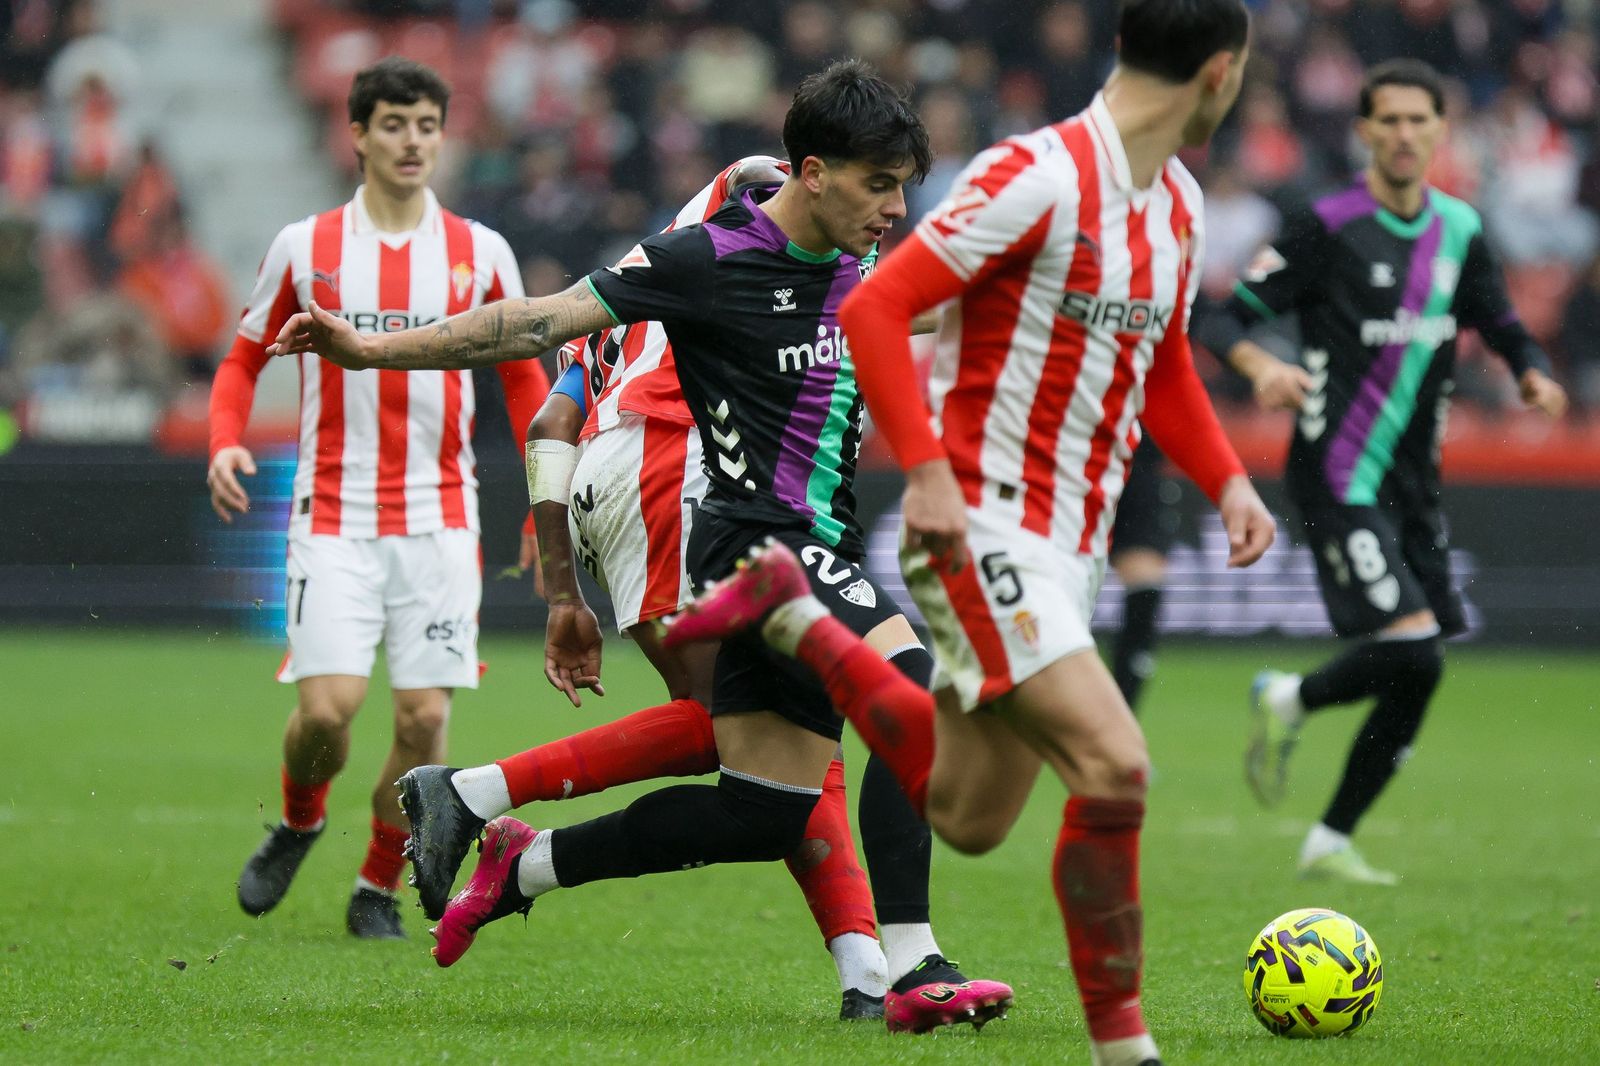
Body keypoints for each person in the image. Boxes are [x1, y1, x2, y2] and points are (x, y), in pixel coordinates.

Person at [270, 61, 1012, 1033]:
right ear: (816, 170)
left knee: (763, 809)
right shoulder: (704, 260)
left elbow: (954, 307)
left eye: (905, 186)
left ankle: (520, 862)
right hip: (758, 549)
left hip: (806, 545)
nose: (895, 207)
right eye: (879, 184)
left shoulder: (868, 263)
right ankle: (914, 966)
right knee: (910, 693)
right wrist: (368, 349)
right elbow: (533, 321)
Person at [663, 4, 1273, 1065]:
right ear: (1218, 73)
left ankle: (805, 630)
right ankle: (1124, 1050)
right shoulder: (1033, 175)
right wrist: (933, 476)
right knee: (1114, 764)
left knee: (969, 812)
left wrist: (1227, 481)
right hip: (985, 519)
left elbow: (1163, 357)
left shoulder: (1173, 200)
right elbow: (873, 310)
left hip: (1066, 544)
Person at [401, 156, 893, 1020]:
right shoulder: (736, 239)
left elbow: (553, 428)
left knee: (771, 733)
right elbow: (755, 177)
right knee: (755, 724)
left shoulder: (629, 299)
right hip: (679, 457)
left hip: (613, 482)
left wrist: (563, 593)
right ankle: (476, 796)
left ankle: (866, 974)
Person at [1193, 58, 1567, 885]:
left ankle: (1322, 815)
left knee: (1423, 665)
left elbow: (1499, 319)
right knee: (1415, 645)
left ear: (1440, 130)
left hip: (1413, 484)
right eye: (1387, 120)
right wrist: (1257, 364)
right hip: (1336, 472)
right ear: (1364, 131)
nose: (1403, 134)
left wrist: (1532, 368)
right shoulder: (1325, 224)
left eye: (1417, 121)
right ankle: (1293, 712)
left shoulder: (1461, 230)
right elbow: (1217, 314)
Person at [207, 57, 548, 938]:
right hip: (333, 514)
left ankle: (375, 887)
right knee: (327, 711)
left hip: (441, 516)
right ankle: (301, 818)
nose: (412, 141)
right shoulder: (304, 245)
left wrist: (543, 506)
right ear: (356, 134)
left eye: (427, 125)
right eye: (394, 124)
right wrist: (225, 440)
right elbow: (244, 357)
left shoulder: (482, 252)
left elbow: (523, 383)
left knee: (425, 714)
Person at [1106, 437, 1178, 713]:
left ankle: (1116, 725)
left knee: (1146, 591)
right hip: (1068, 464)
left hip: (1136, 463)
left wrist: (1230, 483)